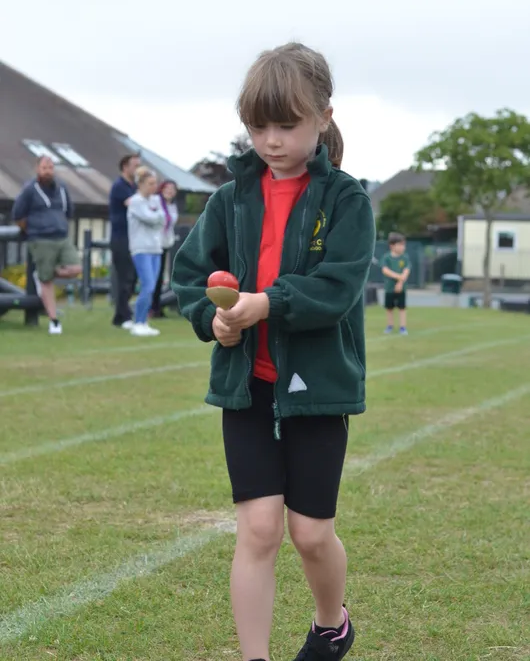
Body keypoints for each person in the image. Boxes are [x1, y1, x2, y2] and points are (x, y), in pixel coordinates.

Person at [172, 42, 375, 661]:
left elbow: (336, 289)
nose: (271, 140)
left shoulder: (346, 199)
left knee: (311, 534)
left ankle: (331, 625)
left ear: (324, 116)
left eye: (286, 125)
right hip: (247, 386)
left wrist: (268, 303)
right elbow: (190, 274)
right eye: (258, 126)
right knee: (258, 530)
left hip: (316, 388)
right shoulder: (230, 199)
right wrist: (216, 319)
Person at [11, 155, 81, 335]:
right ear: (37, 169)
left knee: (75, 268)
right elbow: (18, 215)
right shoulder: (29, 189)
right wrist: (32, 230)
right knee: (47, 282)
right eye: (44, 167)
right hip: (41, 239)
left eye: (50, 167)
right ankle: (54, 320)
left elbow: (69, 211)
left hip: (61, 236)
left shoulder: (62, 188)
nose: (48, 171)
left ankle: (44, 274)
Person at [127, 166, 166, 337]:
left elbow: (162, 220)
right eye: (150, 183)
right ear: (141, 184)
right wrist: (157, 217)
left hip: (156, 248)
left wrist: (157, 217)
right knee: (147, 285)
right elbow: (150, 218)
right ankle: (138, 321)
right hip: (141, 248)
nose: (154, 187)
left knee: (152, 286)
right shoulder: (135, 201)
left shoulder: (156, 200)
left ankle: (144, 321)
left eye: (155, 183)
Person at [109, 153, 141, 329]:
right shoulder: (119, 186)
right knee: (124, 277)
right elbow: (135, 203)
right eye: (135, 166)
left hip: (133, 237)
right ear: (125, 167)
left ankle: (121, 314)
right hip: (121, 237)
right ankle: (123, 316)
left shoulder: (134, 186)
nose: (137, 170)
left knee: (133, 277)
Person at [150, 179, 179, 318]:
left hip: (165, 244)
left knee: (160, 276)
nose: (170, 191)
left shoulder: (172, 206)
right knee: (154, 276)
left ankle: (156, 307)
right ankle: (151, 307)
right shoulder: (156, 201)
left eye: (172, 189)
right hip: (153, 244)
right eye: (167, 188)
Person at [381, 232, 411, 335]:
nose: (403, 247)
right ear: (392, 246)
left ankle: (403, 327)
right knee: (389, 308)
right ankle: (390, 326)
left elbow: (406, 271)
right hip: (389, 288)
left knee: (402, 308)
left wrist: (400, 283)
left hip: (401, 288)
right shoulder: (386, 257)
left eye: (404, 245)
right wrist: (398, 277)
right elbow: (385, 270)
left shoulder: (405, 258)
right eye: (400, 245)